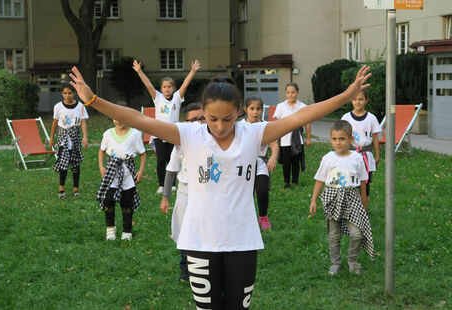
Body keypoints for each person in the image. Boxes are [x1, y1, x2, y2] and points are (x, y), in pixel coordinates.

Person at [69, 64, 371, 309]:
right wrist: (93, 100)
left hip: (242, 241)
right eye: (213, 118)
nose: (220, 125)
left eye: (228, 118)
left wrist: (345, 96)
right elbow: (137, 118)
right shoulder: (190, 134)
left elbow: (304, 115)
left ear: (239, 111)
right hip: (200, 242)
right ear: (203, 111)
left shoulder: (253, 134)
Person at [309, 120, 374, 276]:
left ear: (350, 139)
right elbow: (320, 179)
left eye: (342, 139)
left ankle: (352, 260)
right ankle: (335, 262)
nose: (338, 143)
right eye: (335, 139)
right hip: (333, 198)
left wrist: (364, 200)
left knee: (357, 234)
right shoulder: (328, 158)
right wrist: (313, 200)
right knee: (334, 234)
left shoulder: (357, 158)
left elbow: (363, 180)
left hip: (352, 199)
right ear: (331, 139)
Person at [132, 59, 201, 194]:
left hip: (174, 133)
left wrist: (192, 71)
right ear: (161, 88)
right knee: (161, 160)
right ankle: (161, 185)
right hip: (159, 133)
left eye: (169, 86)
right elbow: (148, 85)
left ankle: (172, 184)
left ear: (173, 88)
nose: (167, 89)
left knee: (173, 158)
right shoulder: (157, 97)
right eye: (164, 87)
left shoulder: (177, 97)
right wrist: (139, 71)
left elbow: (185, 85)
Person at [159, 103, 206, 281]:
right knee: (185, 231)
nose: (199, 123)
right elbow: (171, 170)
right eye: (194, 119)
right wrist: (165, 198)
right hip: (185, 193)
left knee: (204, 230)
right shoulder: (181, 144)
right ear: (185, 123)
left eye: (202, 118)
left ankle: (205, 266)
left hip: (206, 194)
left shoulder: (215, 142)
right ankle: (186, 269)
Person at [97, 119, 146, 241]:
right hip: (112, 171)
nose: (117, 121)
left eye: (120, 118)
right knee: (108, 199)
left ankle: (127, 230)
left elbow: (142, 153)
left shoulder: (135, 134)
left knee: (127, 200)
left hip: (127, 173)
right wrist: (101, 166)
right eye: (115, 118)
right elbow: (102, 151)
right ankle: (110, 227)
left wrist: (140, 171)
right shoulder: (107, 134)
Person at [242, 96, 279, 231]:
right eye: (252, 108)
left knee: (262, 191)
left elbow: (274, 145)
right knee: (246, 192)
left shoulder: (265, 126)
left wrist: (273, 158)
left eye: (258, 109)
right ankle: (246, 218)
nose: (255, 112)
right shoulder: (240, 126)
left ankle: (263, 216)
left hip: (260, 162)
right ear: (246, 109)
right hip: (243, 164)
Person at [49, 83, 88, 199]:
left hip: (75, 137)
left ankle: (76, 188)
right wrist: (51, 138)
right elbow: (55, 123)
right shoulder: (58, 107)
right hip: (63, 137)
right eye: (65, 93)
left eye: (70, 93)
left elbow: (83, 122)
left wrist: (85, 136)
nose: (67, 96)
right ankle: (61, 188)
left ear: (74, 93)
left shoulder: (80, 106)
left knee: (75, 163)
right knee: (63, 163)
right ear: (62, 94)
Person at [341, 89, 381, 199]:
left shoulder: (371, 118)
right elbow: (342, 137)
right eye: (354, 99)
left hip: (366, 156)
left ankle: (364, 208)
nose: (357, 102)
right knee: (349, 181)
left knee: (365, 183)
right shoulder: (346, 118)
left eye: (361, 99)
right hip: (350, 154)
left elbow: (375, 138)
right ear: (351, 100)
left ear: (366, 100)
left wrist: (377, 156)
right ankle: (351, 207)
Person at [273, 83, 311, 189]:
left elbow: (307, 123)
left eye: (293, 92)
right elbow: (276, 123)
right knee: (286, 161)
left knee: (295, 162)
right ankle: (286, 182)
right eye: (288, 92)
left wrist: (308, 138)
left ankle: (295, 181)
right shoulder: (281, 106)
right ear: (286, 93)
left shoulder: (303, 107)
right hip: (285, 139)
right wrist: (276, 138)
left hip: (297, 139)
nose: (290, 95)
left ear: (297, 92)